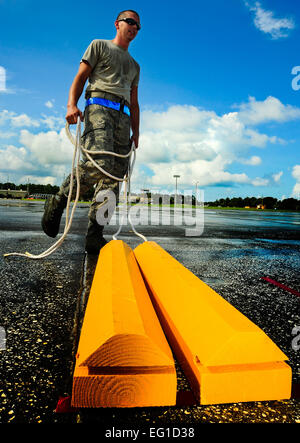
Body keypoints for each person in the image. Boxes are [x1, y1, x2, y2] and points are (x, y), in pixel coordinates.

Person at [41, 10, 141, 254]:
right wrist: (71, 105)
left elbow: (135, 101)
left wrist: (136, 133)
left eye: (138, 26)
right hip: (99, 107)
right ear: (117, 24)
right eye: (130, 22)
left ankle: (95, 236)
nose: (134, 27)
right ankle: (58, 201)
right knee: (99, 163)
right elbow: (81, 76)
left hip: (124, 117)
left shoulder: (135, 66)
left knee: (114, 178)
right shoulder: (99, 45)